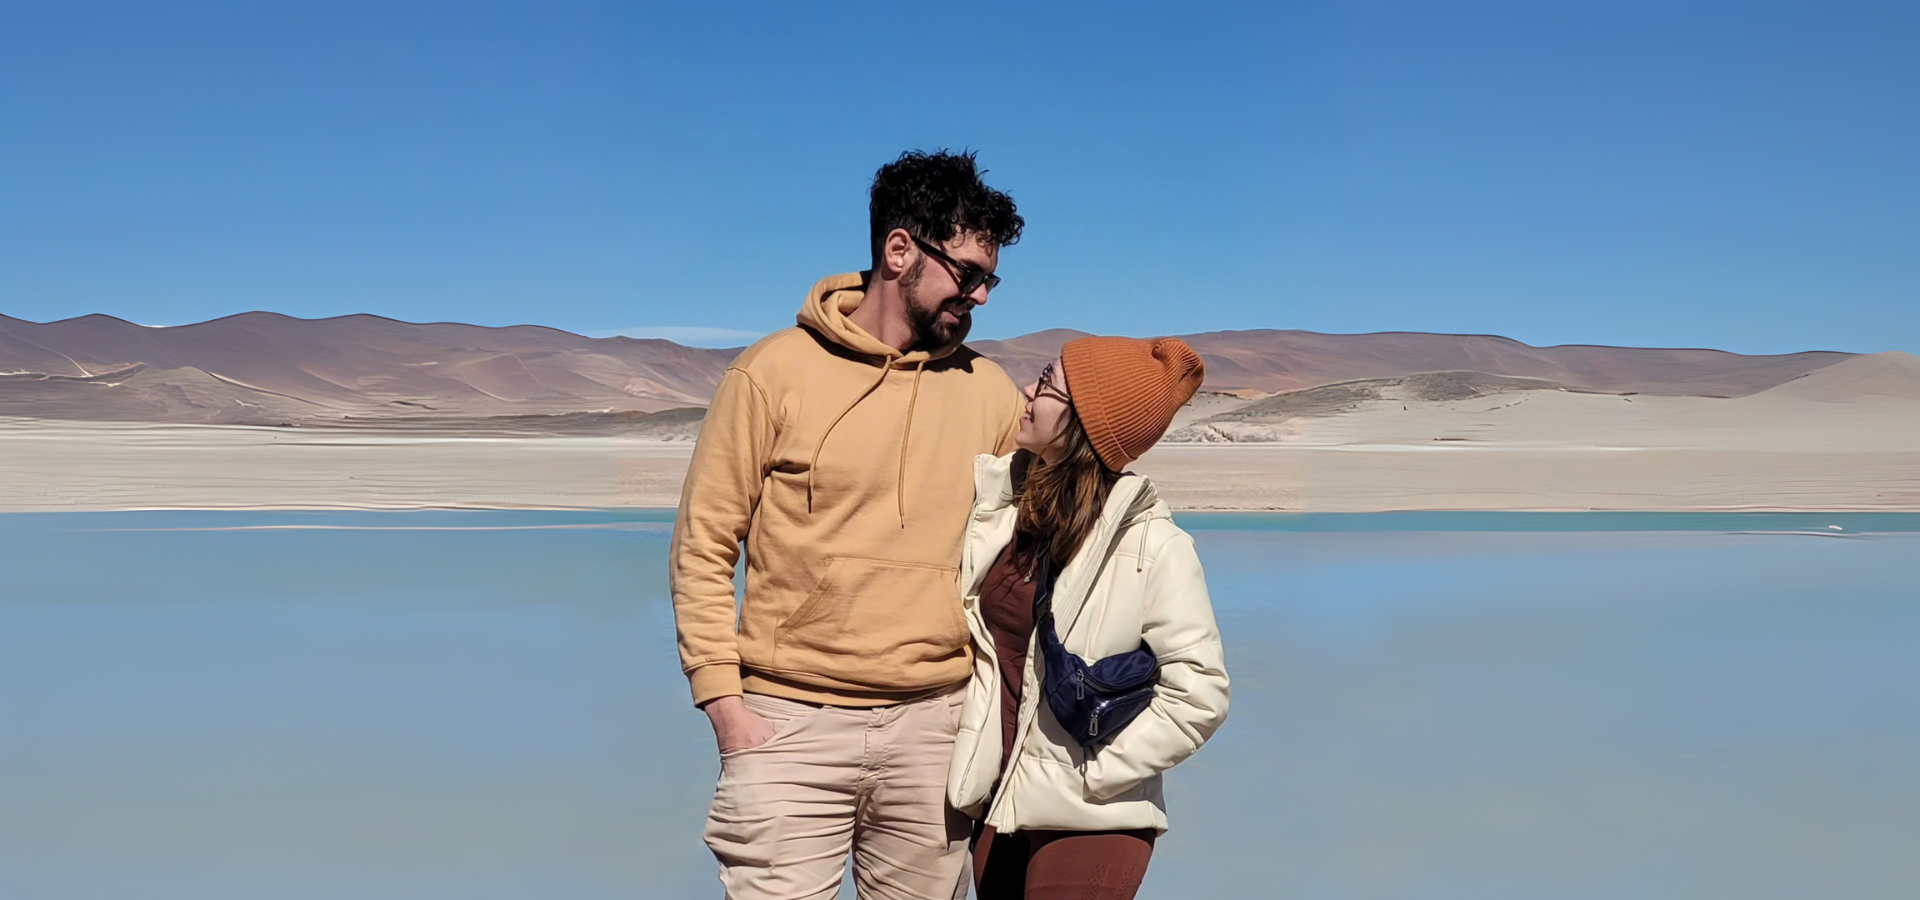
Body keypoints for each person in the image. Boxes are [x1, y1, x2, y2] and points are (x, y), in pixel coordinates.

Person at [669, 150, 1026, 899]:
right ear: (900, 251)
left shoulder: (990, 394)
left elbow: (1024, 558)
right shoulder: (772, 373)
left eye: (990, 278)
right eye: (968, 272)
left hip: (936, 730)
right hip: (786, 723)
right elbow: (703, 548)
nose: (982, 296)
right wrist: (726, 709)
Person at [946, 336, 1231, 900]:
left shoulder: (1155, 547)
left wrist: (1091, 773)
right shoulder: (1009, 514)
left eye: (1047, 382)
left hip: (1093, 818)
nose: (1027, 390)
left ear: (1084, 424)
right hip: (997, 802)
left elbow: (1200, 696)